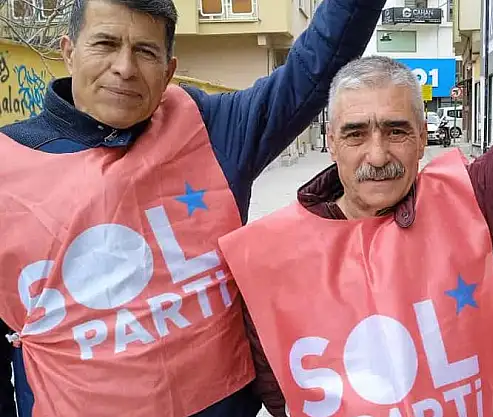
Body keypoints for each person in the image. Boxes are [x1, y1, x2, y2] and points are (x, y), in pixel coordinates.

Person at [0, 0, 385, 415]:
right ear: (68, 51)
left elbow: (317, 64)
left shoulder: (210, 127)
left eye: (145, 51)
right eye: (105, 44)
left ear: (169, 70)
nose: (125, 68)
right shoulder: (9, 165)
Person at [217, 0, 493, 414]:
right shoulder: (267, 255)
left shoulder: (466, 201)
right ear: (331, 142)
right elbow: (280, 392)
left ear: (422, 137)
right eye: (356, 134)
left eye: (396, 131)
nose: (378, 156)